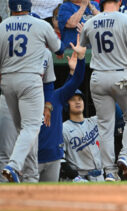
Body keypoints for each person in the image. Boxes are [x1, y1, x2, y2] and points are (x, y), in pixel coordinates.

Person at [0, 0, 65, 183]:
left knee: (24, 131)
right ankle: (13, 165)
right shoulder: (40, 24)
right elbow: (59, 49)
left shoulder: (0, 27)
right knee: (32, 127)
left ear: (10, 9)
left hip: (7, 82)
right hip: (30, 80)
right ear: (29, 8)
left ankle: (29, 178)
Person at [80, 0, 127, 181]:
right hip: (121, 74)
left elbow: (82, 47)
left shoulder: (90, 22)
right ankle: (126, 156)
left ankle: (110, 172)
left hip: (98, 76)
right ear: (119, 1)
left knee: (105, 126)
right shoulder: (125, 19)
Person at [38, 35, 86, 182]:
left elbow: (76, 81)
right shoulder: (23, 97)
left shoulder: (56, 95)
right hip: (31, 158)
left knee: (50, 200)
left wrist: (80, 60)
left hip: (54, 157)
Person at [62, 90, 104, 182]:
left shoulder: (95, 121)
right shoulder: (63, 128)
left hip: (100, 176)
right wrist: (74, 176)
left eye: (80, 99)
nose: (77, 102)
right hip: (79, 178)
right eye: (73, 99)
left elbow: (116, 113)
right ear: (66, 104)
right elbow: (60, 159)